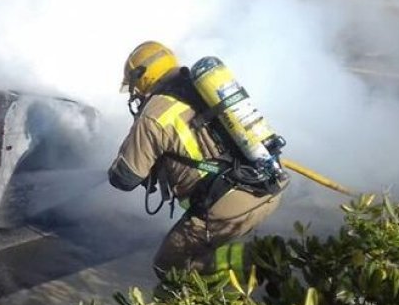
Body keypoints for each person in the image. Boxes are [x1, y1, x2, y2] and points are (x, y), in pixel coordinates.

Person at [107, 41, 286, 280]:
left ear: (143, 79)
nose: (136, 93)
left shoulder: (154, 114)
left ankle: (254, 258)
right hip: (269, 188)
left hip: (228, 207)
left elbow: (125, 178)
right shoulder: (202, 90)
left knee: (169, 266)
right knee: (205, 253)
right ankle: (233, 289)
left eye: (135, 87)